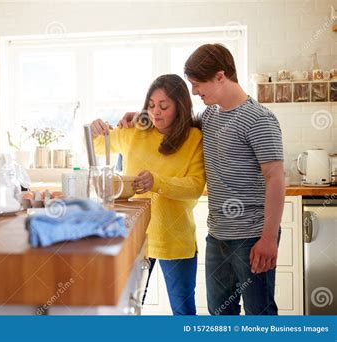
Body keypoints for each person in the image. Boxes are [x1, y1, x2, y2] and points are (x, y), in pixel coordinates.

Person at [119, 44, 285, 315]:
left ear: (220, 76)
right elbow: (177, 121)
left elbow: (276, 178)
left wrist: (269, 238)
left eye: (197, 84)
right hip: (217, 235)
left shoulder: (260, 120)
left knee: (260, 313)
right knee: (219, 312)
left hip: (252, 236)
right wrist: (143, 116)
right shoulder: (209, 117)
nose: (194, 91)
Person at [91, 74, 206, 315]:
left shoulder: (194, 138)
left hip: (175, 240)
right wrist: (94, 130)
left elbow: (194, 186)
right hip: (134, 235)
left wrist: (157, 181)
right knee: (128, 308)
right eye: (151, 105)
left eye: (164, 106)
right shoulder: (135, 130)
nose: (156, 112)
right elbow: (98, 146)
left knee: (184, 311)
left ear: (180, 107)